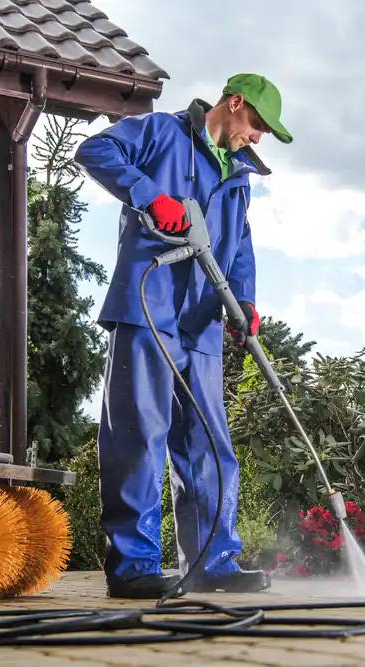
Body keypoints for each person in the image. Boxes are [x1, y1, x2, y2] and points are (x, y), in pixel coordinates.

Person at [74, 73, 293, 598]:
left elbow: (239, 245)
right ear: (234, 103)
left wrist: (244, 300)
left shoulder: (237, 175)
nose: (258, 136)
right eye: (257, 124)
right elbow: (94, 150)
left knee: (209, 444)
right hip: (148, 306)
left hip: (201, 320)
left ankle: (213, 564)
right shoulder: (160, 133)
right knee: (139, 436)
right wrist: (151, 197)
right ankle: (134, 569)